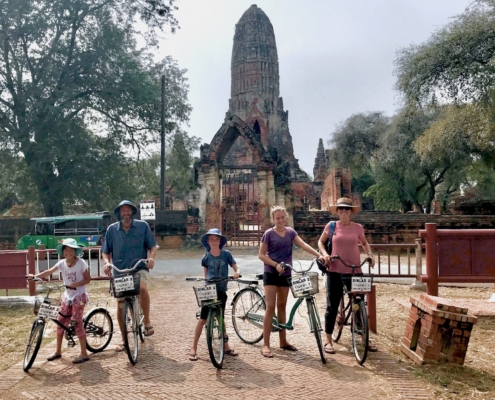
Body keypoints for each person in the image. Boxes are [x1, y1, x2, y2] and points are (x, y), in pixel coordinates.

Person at [258, 205, 324, 358]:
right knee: (270, 307)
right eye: (277, 218)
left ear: (285, 217)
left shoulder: (290, 232)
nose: (280, 220)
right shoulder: (268, 234)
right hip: (271, 273)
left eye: (282, 217)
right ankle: (266, 344)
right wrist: (275, 265)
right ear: (273, 219)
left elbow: (303, 245)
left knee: (282, 306)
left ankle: (283, 341)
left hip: (286, 273)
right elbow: (261, 255)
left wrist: (318, 254)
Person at [317, 197, 376, 354]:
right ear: (337, 211)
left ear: (351, 212)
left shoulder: (357, 227)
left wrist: (370, 255)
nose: (344, 211)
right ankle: (328, 340)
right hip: (335, 270)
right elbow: (320, 242)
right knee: (332, 306)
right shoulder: (331, 226)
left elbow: (364, 243)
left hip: (354, 269)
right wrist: (324, 255)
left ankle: (364, 337)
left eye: (347, 209)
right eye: (341, 208)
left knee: (359, 304)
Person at [102, 200, 157, 351]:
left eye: (128, 210)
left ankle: (147, 322)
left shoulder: (142, 226)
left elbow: (153, 246)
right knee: (120, 305)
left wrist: (151, 258)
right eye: (122, 211)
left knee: (142, 289)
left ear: (132, 212)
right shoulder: (111, 230)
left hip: (138, 267)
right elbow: (105, 251)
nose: (125, 213)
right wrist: (107, 263)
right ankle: (124, 340)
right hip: (119, 271)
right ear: (119, 213)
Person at [27, 238, 91, 364]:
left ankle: (84, 353)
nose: (68, 252)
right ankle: (58, 351)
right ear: (63, 251)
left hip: (79, 296)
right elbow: (49, 271)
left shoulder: (81, 263)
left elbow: (88, 279)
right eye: (66, 249)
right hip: (67, 296)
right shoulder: (62, 263)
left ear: (75, 251)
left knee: (77, 323)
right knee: (60, 322)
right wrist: (35, 277)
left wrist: (76, 284)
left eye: (71, 249)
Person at [189, 228, 240, 361]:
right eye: (211, 239)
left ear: (220, 241)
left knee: (221, 317)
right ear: (208, 241)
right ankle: (193, 347)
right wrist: (205, 283)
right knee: (202, 319)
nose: (214, 242)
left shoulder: (226, 254)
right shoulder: (206, 257)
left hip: (222, 289)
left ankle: (226, 345)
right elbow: (206, 274)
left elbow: (235, 266)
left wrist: (236, 273)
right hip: (209, 290)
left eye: (216, 239)